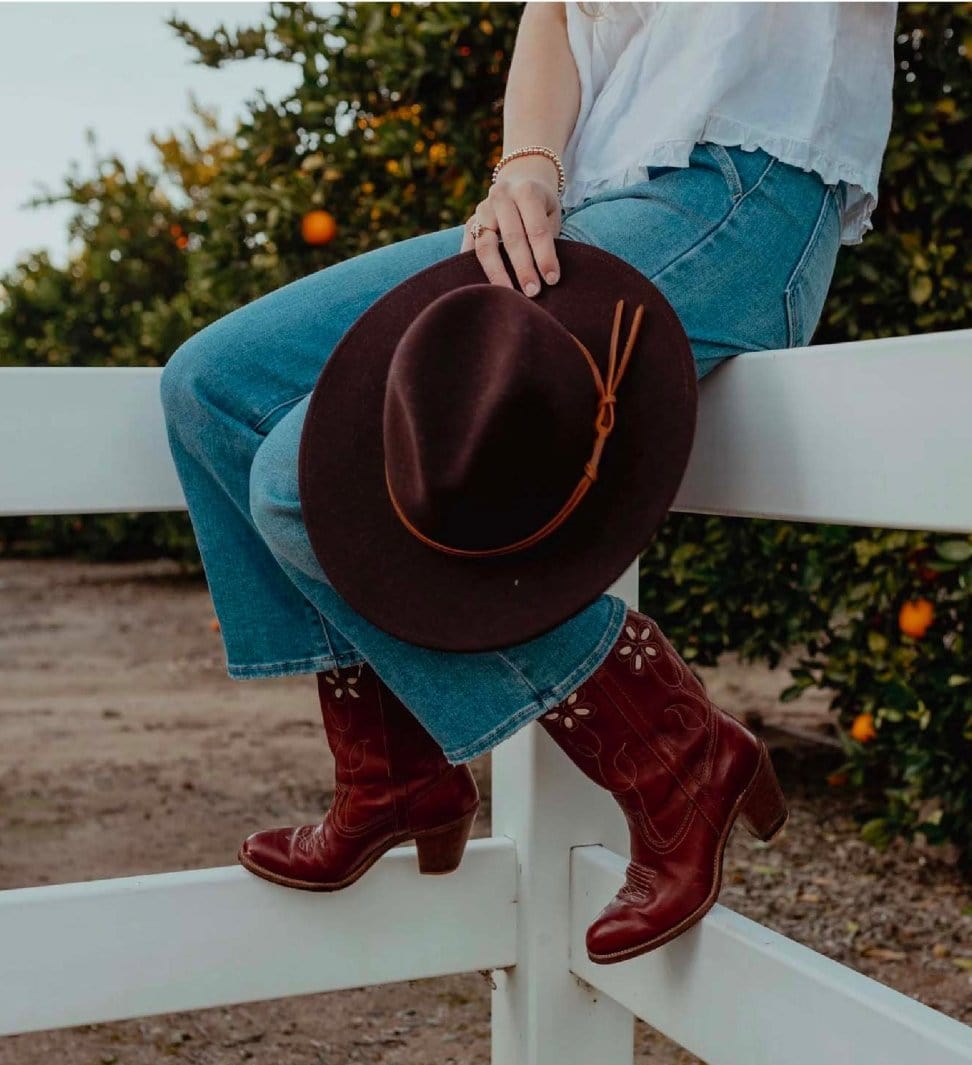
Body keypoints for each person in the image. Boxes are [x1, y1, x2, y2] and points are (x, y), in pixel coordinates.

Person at [159, 1, 898, 964]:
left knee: (309, 483)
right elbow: (552, 12)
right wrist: (525, 167)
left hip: (739, 195)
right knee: (214, 386)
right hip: (579, 206)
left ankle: (673, 749)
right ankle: (392, 769)